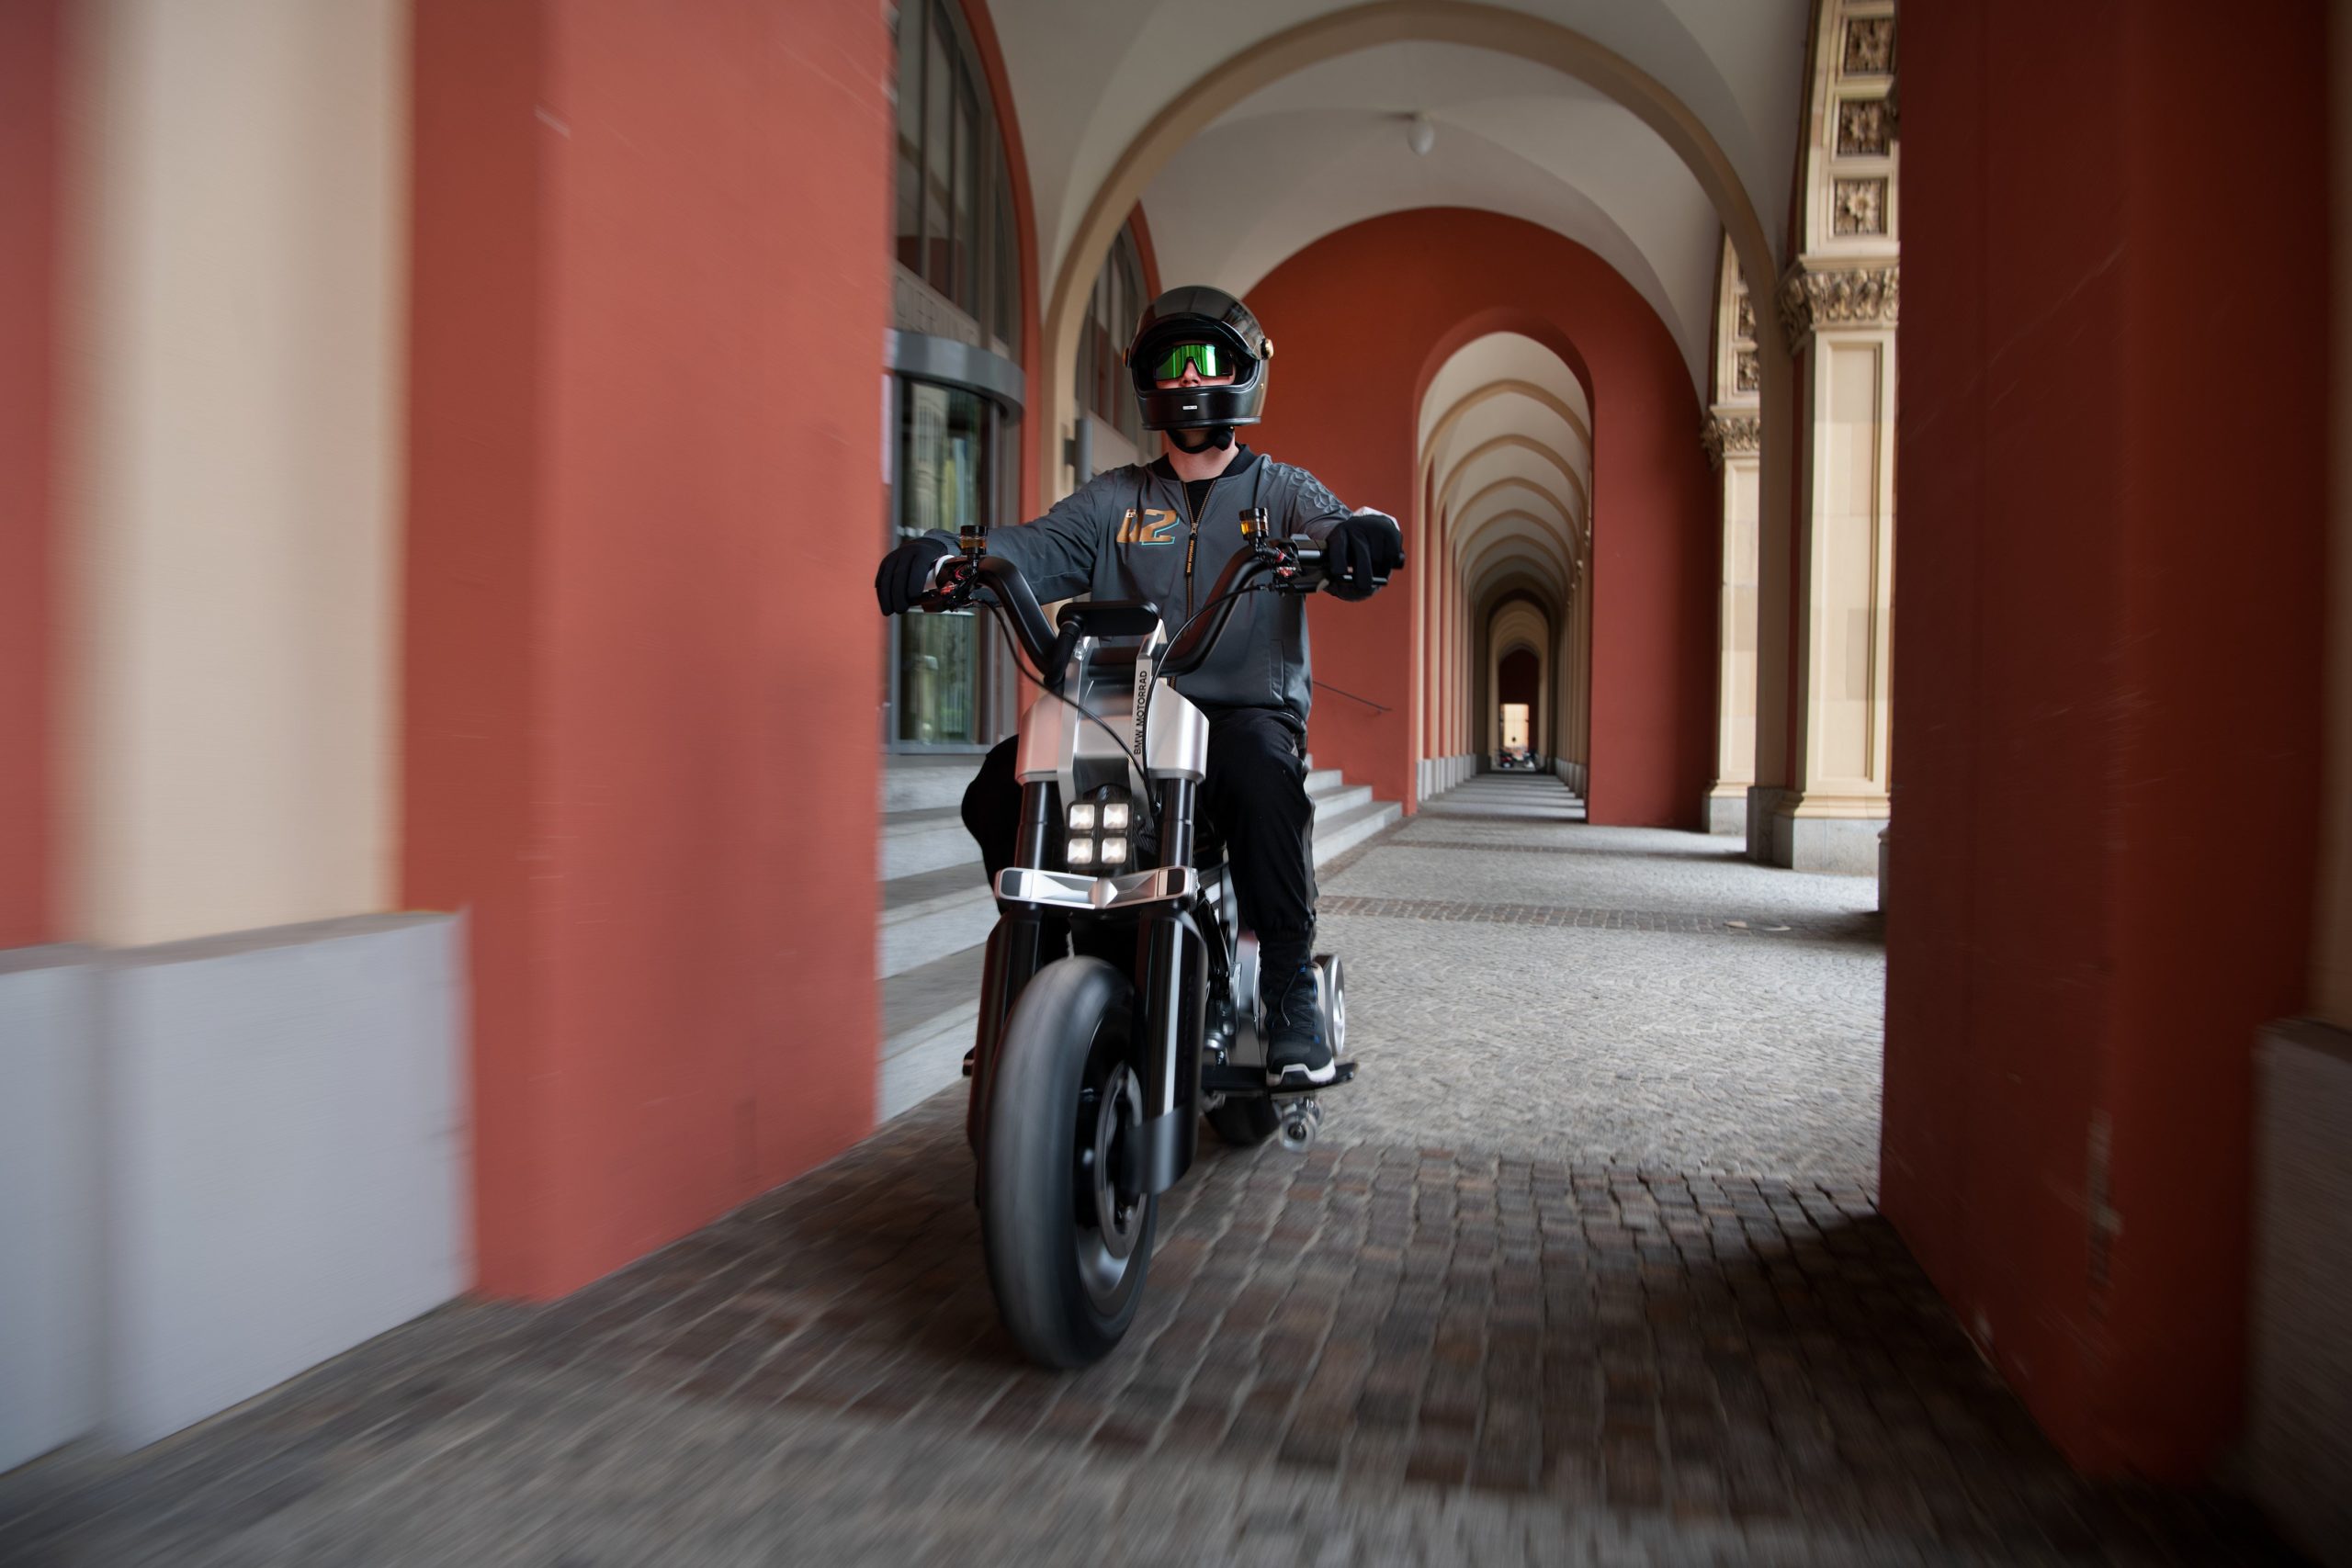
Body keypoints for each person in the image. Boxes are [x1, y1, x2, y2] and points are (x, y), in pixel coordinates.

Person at [874, 285, 1403, 1087]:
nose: (1188, 376)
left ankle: (1288, 986)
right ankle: (1036, 969)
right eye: (1171, 360)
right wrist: (948, 551)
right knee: (997, 787)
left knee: (1264, 778)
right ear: (1147, 377)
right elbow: (1032, 547)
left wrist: (1359, 537)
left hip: (1239, 715)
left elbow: (1335, 526)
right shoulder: (1113, 499)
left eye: (1207, 358)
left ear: (1244, 371)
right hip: (1122, 712)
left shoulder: (1281, 491)